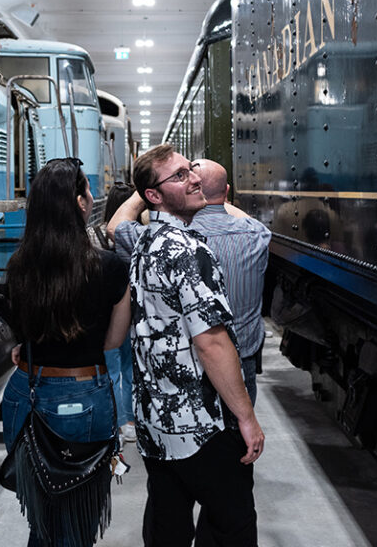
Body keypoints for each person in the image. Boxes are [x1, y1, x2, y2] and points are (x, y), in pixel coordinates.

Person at [123, 144, 264, 547]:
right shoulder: (190, 248)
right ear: (154, 194)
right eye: (180, 175)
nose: (195, 178)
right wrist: (246, 418)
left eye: (191, 170)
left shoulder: (145, 243)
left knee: (168, 520)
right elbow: (212, 343)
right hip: (199, 423)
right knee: (231, 523)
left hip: (156, 419)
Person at [0, 158, 131, 547]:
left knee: (41, 518)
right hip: (83, 397)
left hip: (26, 392)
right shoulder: (110, 267)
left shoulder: (18, 266)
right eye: (88, 191)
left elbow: (24, 333)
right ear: (79, 202)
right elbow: (112, 341)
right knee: (76, 522)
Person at [109, 159, 271, 405]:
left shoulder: (158, 240)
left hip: (186, 366)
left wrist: (144, 193)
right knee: (239, 434)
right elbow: (248, 220)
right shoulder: (257, 235)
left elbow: (115, 227)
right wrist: (219, 198)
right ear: (227, 192)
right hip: (241, 361)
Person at [98, 181, 138, 442]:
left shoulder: (98, 236)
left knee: (110, 369)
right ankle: (131, 421)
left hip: (106, 313)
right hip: (133, 310)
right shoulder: (135, 233)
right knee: (130, 368)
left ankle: (115, 422)